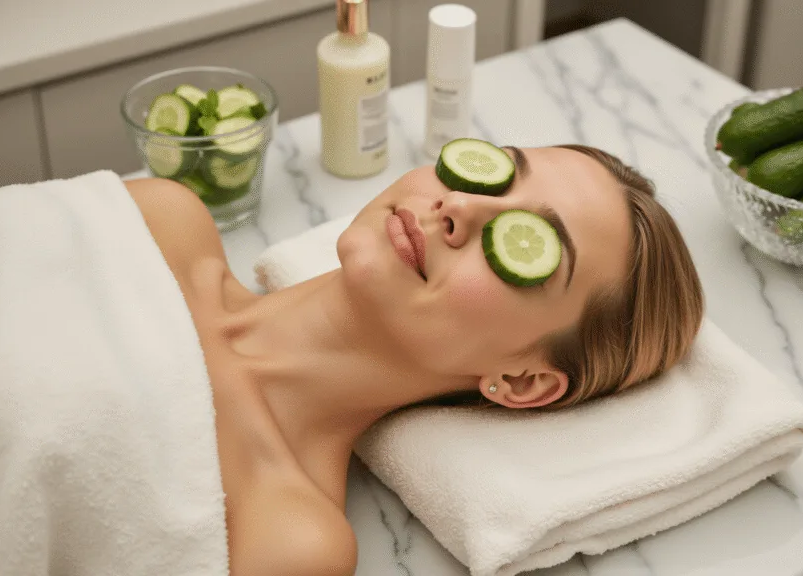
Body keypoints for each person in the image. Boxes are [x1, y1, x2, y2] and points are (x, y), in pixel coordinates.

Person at [124, 143, 704, 576]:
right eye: (495, 172)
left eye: (529, 243)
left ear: (522, 380)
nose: (460, 205)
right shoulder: (157, 222)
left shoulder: (282, 536)